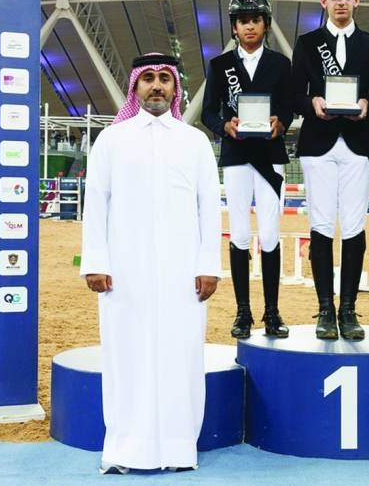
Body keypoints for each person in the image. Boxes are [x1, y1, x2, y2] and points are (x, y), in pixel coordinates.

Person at [80, 53, 221, 474]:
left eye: (164, 79)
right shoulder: (111, 140)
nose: (157, 86)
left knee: (182, 355)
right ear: (135, 87)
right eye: (148, 80)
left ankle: (179, 448)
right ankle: (126, 447)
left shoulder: (194, 141)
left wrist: (208, 264)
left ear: (176, 89)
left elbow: (209, 208)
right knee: (127, 353)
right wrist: (95, 261)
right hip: (125, 270)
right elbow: (96, 204)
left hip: (184, 272)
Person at [291, 0, 369, 340]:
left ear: (357, 1)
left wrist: (367, 103)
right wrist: (310, 102)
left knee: (355, 227)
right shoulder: (308, 43)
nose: (341, 1)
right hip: (319, 146)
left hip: (359, 144)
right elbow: (295, 93)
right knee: (323, 226)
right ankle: (325, 309)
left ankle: (349, 310)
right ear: (323, 2)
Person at [202, 0, 293, 339]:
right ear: (234, 27)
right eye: (243, 21)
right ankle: (243, 312)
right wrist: (223, 126)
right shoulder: (220, 66)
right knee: (240, 233)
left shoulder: (281, 64)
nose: (249, 26)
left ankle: (272, 311)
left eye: (255, 20)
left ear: (265, 25)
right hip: (237, 155)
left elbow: (288, 106)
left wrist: (281, 122)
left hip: (271, 158)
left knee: (270, 234)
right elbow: (209, 110)